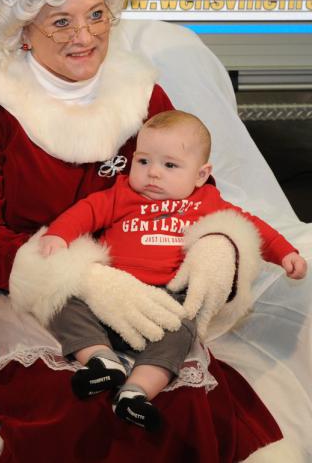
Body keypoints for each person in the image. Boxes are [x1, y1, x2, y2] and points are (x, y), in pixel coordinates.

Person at [0, 0, 288, 461]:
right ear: (23, 30)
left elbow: (195, 190)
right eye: (61, 21)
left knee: (172, 400)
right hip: (24, 292)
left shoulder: (139, 92)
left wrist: (219, 244)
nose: (85, 37)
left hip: (144, 282)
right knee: (78, 405)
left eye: (97, 15)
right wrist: (80, 280)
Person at [38, 110, 307, 432]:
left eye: (169, 165)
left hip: (168, 299)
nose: (153, 174)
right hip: (111, 294)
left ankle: (136, 393)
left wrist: (285, 253)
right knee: (62, 300)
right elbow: (85, 212)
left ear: (200, 174)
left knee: (182, 330)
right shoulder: (120, 195)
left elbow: (250, 227)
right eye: (143, 161)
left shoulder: (206, 202)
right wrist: (57, 235)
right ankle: (100, 359)